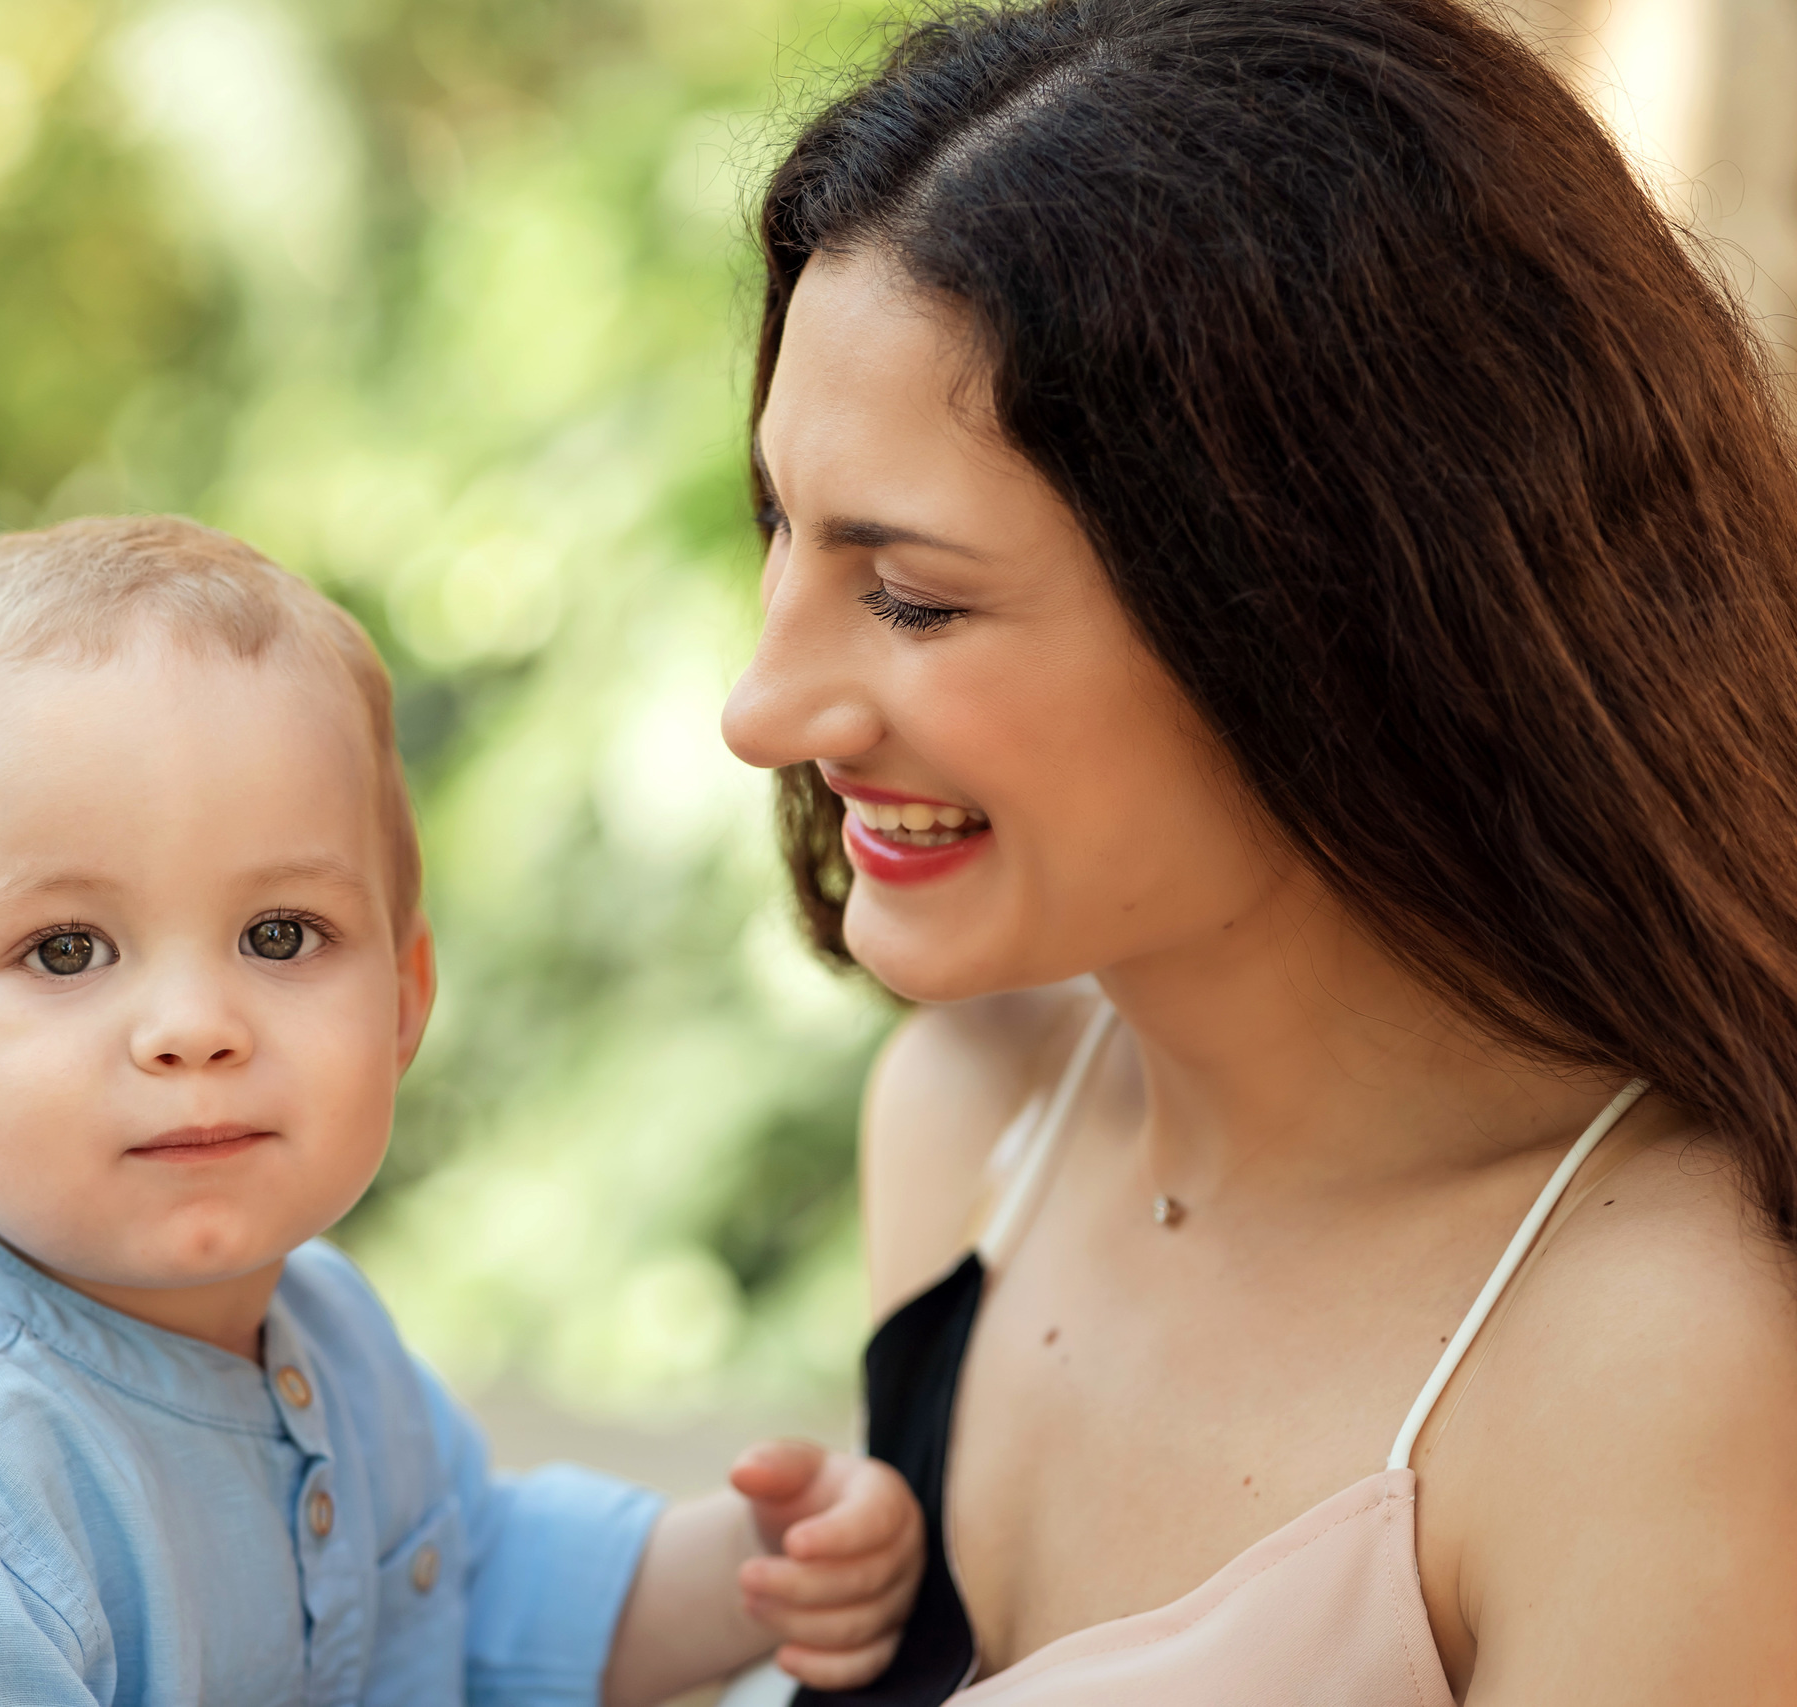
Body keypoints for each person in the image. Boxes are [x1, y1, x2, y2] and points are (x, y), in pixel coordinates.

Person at [719, 1, 1797, 1701]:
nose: (760, 707)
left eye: (914, 594)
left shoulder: (1672, 1364)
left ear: (1319, 613)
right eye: (781, 525)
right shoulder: (971, 1116)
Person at [0, 516, 921, 1706]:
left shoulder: (321, 1335)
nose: (195, 1027)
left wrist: (756, 1571)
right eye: (66, 951)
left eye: (280, 934)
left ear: (405, 998)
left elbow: (468, 1592)